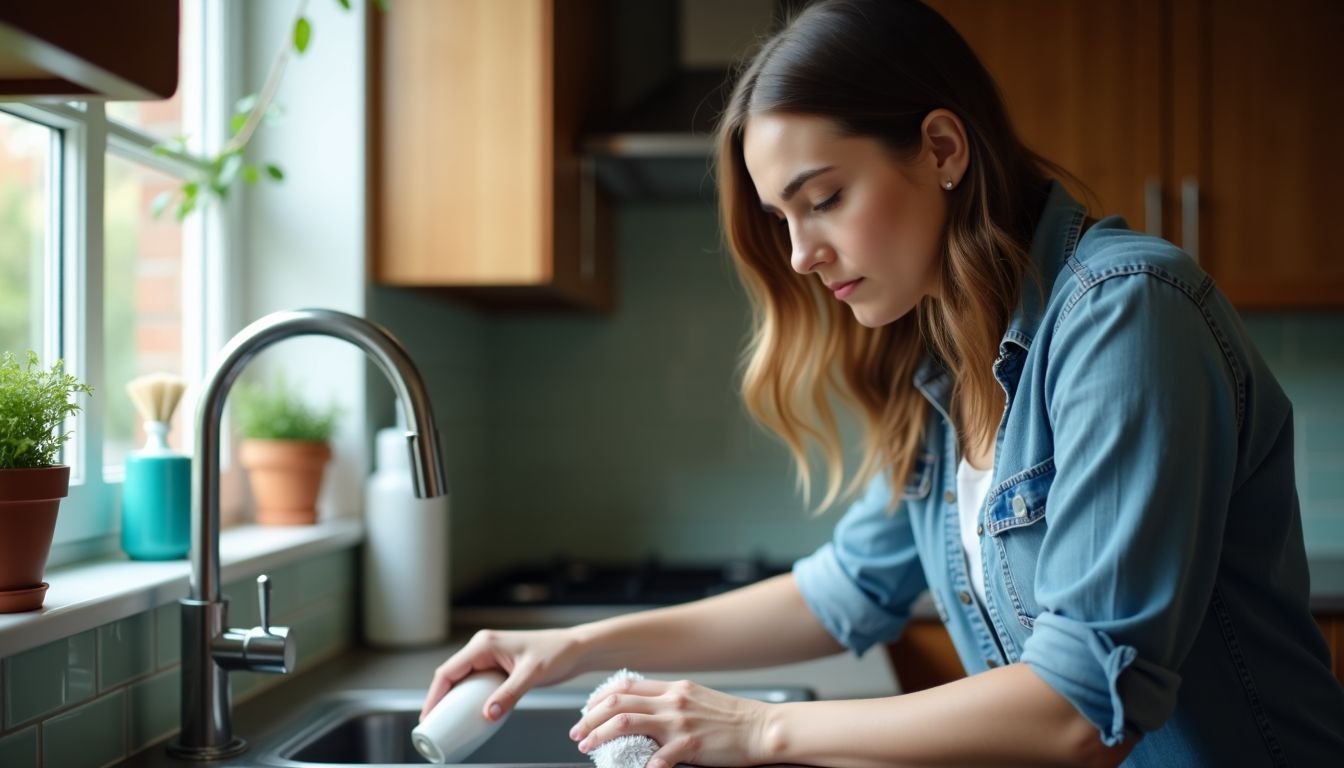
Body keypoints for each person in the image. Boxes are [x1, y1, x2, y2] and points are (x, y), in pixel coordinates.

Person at [419, 1, 1344, 765]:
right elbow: (845, 590)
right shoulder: (939, 359)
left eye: (823, 199)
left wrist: (757, 728)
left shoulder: (1125, 314)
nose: (801, 253)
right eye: (784, 217)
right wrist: (577, 648)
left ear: (943, 148)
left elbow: (1079, 707)